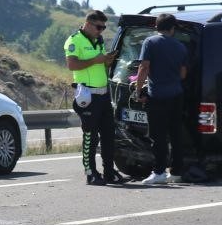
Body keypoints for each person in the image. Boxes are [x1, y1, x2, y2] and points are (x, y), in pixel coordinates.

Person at [65, 10, 123, 185]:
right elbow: (72, 65)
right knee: (90, 136)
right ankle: (90, 172)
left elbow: (101, 63)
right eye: (99, 27)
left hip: (103, 93)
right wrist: (96, 60)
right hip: (87, 95)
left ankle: (109, 171)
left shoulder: (98, 40)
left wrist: (107, 60)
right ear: (88, 24)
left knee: (108, 134)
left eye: (104, 27)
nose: (101, 31)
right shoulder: (74, 40)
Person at [133, 13, 188, 184]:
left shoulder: (150, 42)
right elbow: (183, 73)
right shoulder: (181, 47)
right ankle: (177, 172)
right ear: (172, 29)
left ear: (156, 27)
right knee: (176, 134)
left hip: (157, 95)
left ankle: (159, 172)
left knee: (158, 136)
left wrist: (138, 90)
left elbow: (144, 67)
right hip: (177, 95)